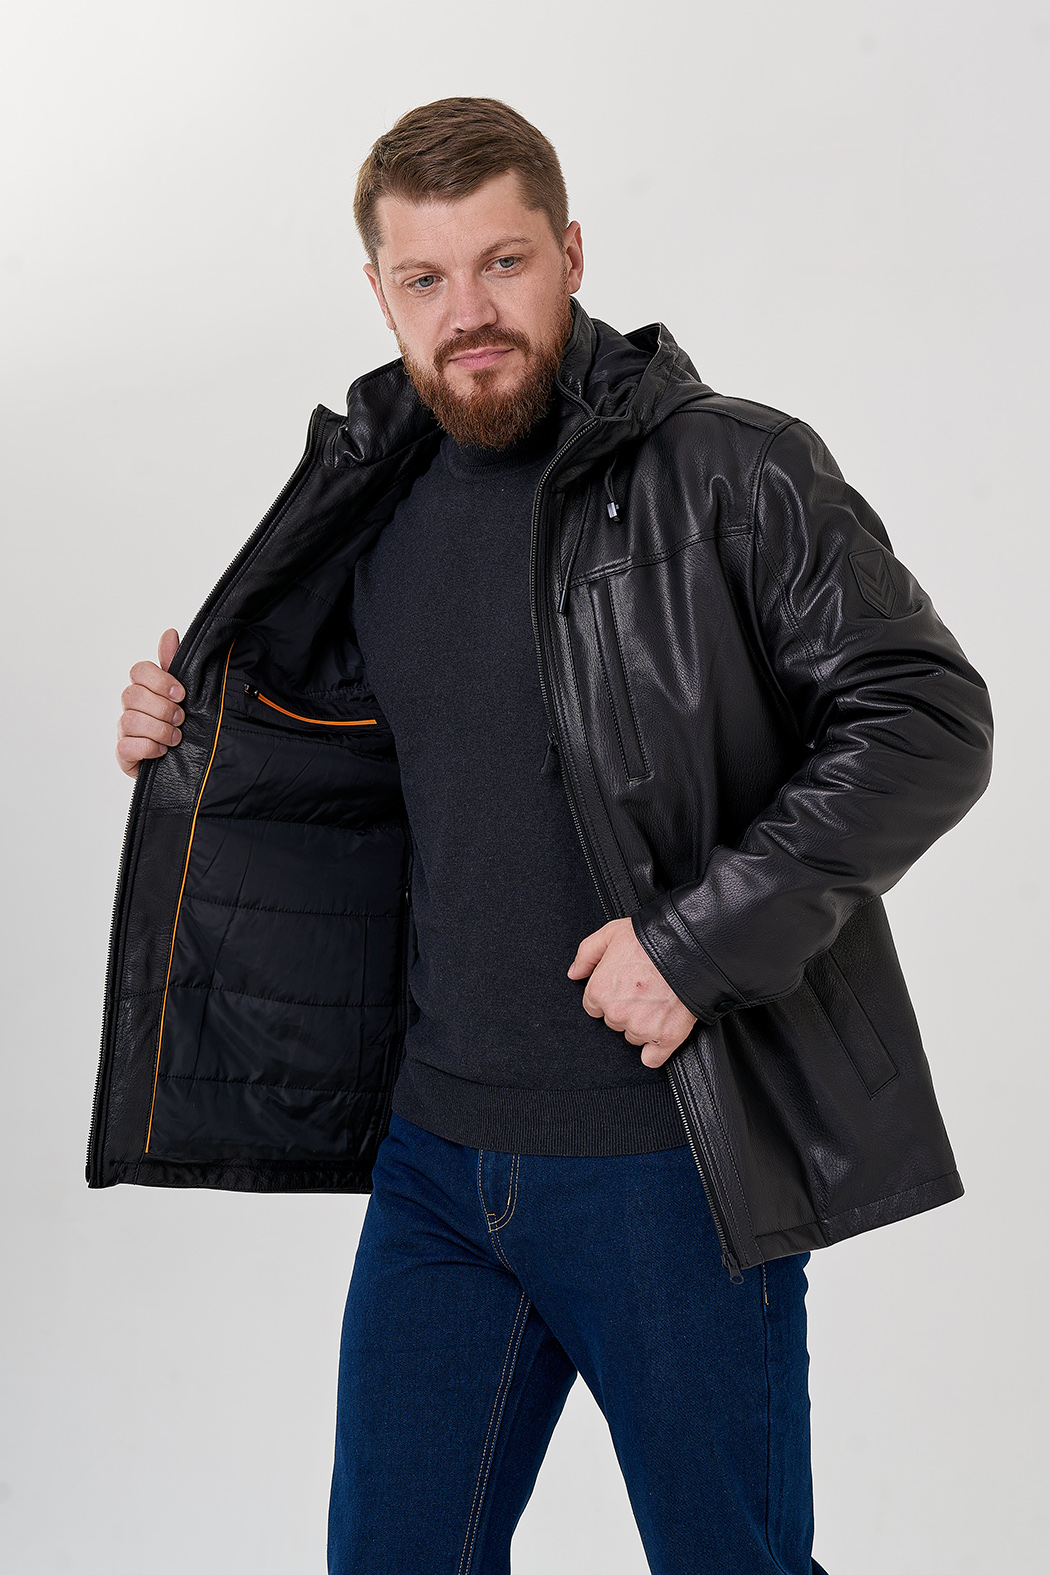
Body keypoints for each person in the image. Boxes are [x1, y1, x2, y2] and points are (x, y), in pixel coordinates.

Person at [93, 97, 993, 1574]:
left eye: (502, 263)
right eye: (424, 278)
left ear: (572, 254)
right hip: (437, 1169)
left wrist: (696, 946)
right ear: (379, 291)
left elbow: (925, 720)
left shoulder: (732, 471)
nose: (469, 313)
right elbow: (388, 766)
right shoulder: (368, 498)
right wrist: (199, 731)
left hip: (669, 1167)